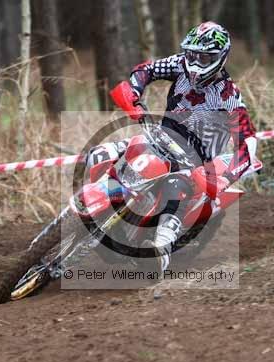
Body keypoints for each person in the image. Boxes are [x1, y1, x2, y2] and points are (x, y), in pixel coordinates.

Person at [88, 21, 258, 272]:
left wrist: (227, 176)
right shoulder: (180, 63)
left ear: (219, 58)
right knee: (99, 154)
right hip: (160, 138)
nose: (195, 62)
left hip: (195, 162)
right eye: (192, 54)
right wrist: (134, 92)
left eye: (203, 57)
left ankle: (161, 249)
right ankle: (95, 207)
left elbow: (248, 141)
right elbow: (146, 70)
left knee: (174, 187)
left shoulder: (228, 95)